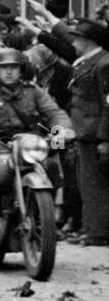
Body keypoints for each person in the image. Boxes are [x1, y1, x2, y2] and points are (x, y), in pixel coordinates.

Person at [0, 47, 74, 240]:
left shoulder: (33, 92)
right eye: (4, 67)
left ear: (21, 70)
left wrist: (61, 134)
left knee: (50, 164)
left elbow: (55, 114)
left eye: (14, 67)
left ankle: (46, 221)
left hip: (28, 143)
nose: (9, 71)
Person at [65, 20, 109, 245]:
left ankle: (99, 233)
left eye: (77, 37)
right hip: (84, 130)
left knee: (95, 184)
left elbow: (108, 103)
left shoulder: (103, 64)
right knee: (86, 183)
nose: (73, 42)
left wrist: (104, 137)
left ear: (88, 41)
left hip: (94, 132)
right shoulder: (89, 62)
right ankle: (90, 228)